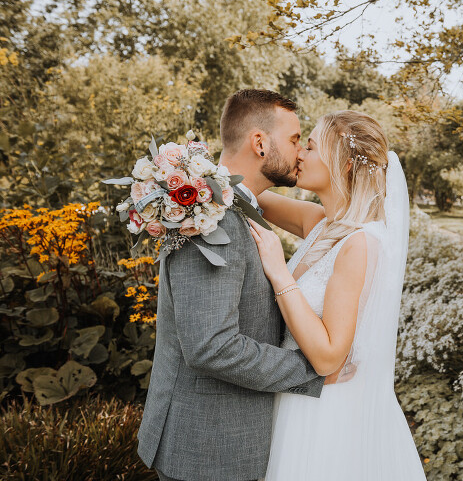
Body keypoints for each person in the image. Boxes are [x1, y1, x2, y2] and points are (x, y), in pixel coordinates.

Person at [137, 89, 325, 481]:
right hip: (206, 448)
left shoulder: (235, 206)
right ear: (260, 143)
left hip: (224, 442)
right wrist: (312, 370)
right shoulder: (210, 220)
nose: (299, 152)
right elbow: (211, 346)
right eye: (294, 140)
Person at [248, 110, 427, 480]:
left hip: (326, 413)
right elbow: (248, 196)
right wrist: (193, 177)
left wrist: (279, 270)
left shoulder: (359, 244)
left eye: (310, 147)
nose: (299, 155)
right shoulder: (321, 223)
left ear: (344, 165)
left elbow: (329, 357)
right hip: (295, 395)